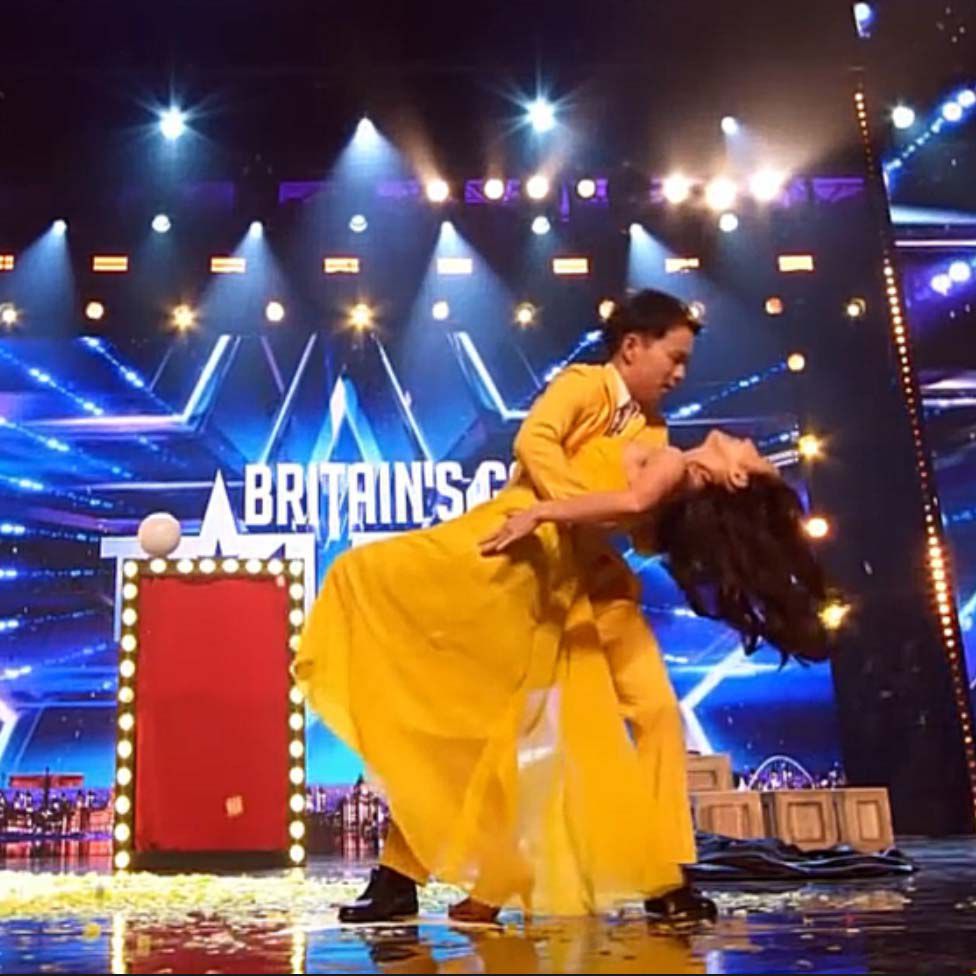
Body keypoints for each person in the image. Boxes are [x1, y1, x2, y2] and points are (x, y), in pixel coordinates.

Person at [295, 428, 828, 921]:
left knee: (644, 715)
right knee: (499, 728)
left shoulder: (664, 461)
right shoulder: (653, 439)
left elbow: (577, 472)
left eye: (754, 455)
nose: (749, 440)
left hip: (565, 575)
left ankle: (662, 879)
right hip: (556, 576)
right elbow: (546, 450)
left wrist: (544, 509)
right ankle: (418, 878)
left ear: (736, 476)